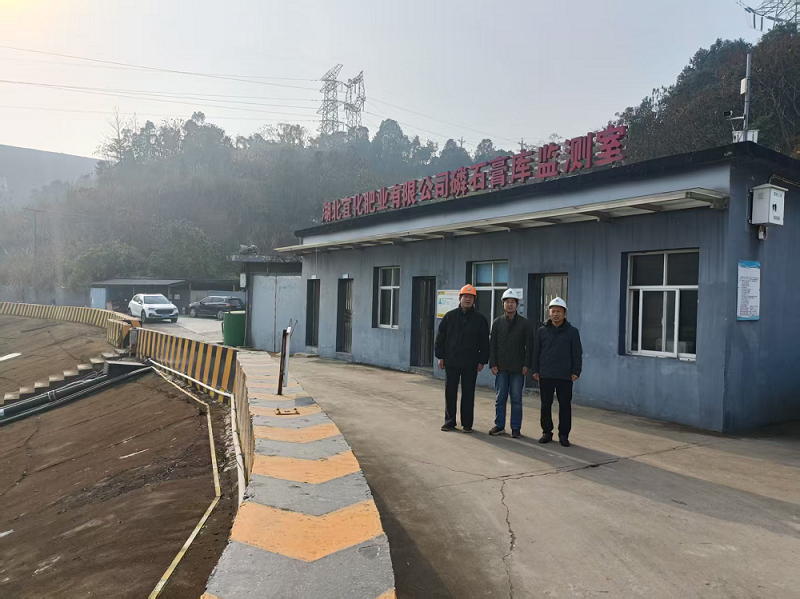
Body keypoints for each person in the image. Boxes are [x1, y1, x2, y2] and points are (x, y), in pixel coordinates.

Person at [527, 297, 582, 447]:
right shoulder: (542, 331)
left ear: (564, 314)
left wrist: (576, 371)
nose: (555, 314)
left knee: (565, 405)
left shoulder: (572, 332)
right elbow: (536, 352)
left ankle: (564, 435)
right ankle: (547, 432)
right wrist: (535, 370)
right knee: (546, 405)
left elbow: (577, 353)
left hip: (565, 375)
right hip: (546, 374)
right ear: (549, 313)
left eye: (559, 311)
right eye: (553, 311)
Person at [434, 284, 490, 433]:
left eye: (471, 297)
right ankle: (449, 421)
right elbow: (440, 338)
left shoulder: (480, 319)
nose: (468, 299)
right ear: (460, 298)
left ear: (474, 300)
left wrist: (482, 360)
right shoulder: (450, 316)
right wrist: (440, 356)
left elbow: (485, 342)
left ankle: (467, 424)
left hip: (471, 363)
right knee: (450, 392)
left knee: (468, 393)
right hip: (451, 361)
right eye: (465, 296)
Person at [488, 289, 530, 438]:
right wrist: (493, 363)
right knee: (500, 398)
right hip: (501, 368)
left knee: (516, 399)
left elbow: (529, 346)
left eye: (512, 302)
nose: (510, 304)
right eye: (507, 302)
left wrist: (526, 364)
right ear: (503, 304)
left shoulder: (524, 323)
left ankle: (516, 428)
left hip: (518, 368)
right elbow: (492, 345)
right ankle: (499, 425)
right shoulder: (497, 323)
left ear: (516, 304)